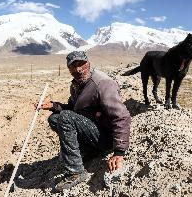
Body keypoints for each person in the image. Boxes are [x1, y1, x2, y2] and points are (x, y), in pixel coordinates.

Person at [38, 51, 131, 192]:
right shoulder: (77, 84)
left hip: (106, 137)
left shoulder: (102, 83)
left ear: (88, 63)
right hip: (93, 131)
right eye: (73, 66)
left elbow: (121, 116)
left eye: (81, 64)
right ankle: (89, 150)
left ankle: (76, 172)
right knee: (55, 119)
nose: (78, 69)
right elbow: (74, 108)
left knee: (65, 117)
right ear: (69, 69)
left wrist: (119, 153)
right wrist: (53, 105)